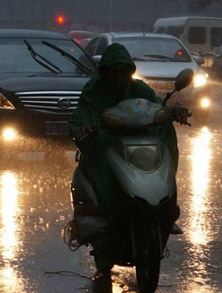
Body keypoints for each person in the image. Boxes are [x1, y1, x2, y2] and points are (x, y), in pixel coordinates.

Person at [69, 43, 189, 234]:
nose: (118, 77)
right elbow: (82, 115)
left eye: (123, 72)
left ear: (129, 71)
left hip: (138, 142)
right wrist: (83, 129)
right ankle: (104, 205)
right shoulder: (93, 91)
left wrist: (173, 112)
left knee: (165, 139)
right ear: (104, 72)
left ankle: (166, 204)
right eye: (113, 72)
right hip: (107, 141)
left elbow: (155, 106)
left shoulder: (140, 89)